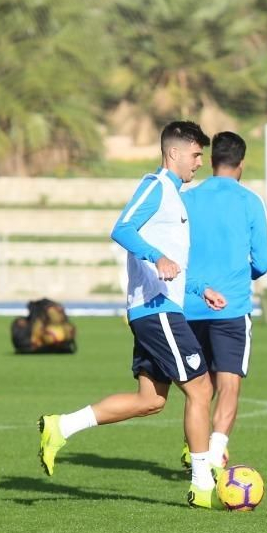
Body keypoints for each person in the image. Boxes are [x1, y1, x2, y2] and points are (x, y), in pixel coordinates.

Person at [37, 121, 228, 507]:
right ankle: (202, 485)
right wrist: (155, 256)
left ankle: (61, 426)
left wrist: (199, 289)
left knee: (151, 400)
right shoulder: (156, 186)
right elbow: (122, 227)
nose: (199, 163)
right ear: (173, 153)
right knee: (201, 388)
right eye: (195, 155)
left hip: (159, 308)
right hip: (156, 310)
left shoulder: (176, 198)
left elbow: (174, 266)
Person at [179, 130, 267, 471]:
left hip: (190, 306)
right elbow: (263, 262)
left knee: (198, 390)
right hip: (231, 306)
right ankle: (215, 454)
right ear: (241, 163)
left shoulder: (188, 199)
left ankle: (196, 451)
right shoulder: (250, 201)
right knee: (229, 383)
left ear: (211, 160)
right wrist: (239, 275)